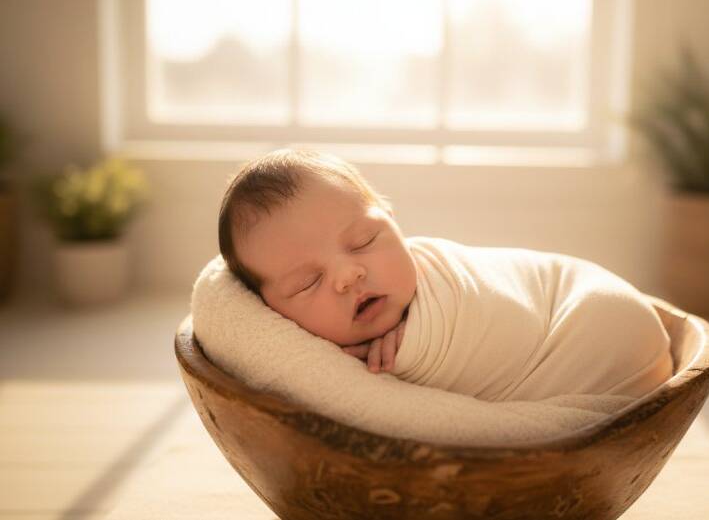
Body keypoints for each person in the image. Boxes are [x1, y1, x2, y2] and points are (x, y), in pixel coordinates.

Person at [218, 149, 673, 401]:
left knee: (606, 324)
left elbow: (502, 314)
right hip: (604, 378)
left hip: (592, 318)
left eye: (363, 241)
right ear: (270, 311)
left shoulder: (444, 277)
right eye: (307, 282)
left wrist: (416, 346)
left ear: (393, 221)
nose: (348, 274)